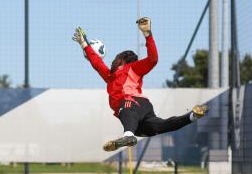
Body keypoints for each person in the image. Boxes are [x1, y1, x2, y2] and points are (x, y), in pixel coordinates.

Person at [72, 17, 209, 152]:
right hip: (136, 121)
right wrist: (84, 43)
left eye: (115, 59)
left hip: (135, 104)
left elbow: (153, 59)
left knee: (126, 102)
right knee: (159, 126)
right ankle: (193, 116)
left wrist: (147, 34)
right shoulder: (110, 77)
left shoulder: (133, 67)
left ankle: (128, 136)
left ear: (122, 60)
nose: (111, 62)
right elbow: (96, 63)